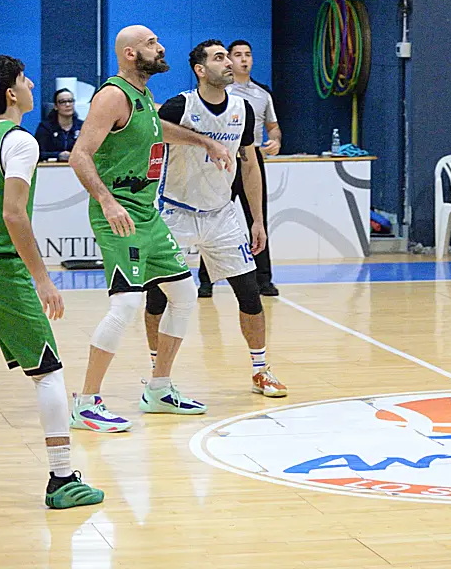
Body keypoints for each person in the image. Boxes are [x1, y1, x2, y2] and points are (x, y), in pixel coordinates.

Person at [0, 56, 104, 509]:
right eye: (24, 80)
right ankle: (62, 478)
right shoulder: (19, 141)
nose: (32, 84)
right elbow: (13, 213)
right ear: (10, 94)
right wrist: (43, 279)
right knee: (49, 373)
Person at [68, 25, 231, 432]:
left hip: (147, 214)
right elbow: (79, 155)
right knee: (125, 305)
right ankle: (85, 402)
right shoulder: (113, 96)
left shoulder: (142, 96)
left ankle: (159, 389)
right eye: (151, 43)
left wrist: (205, 142)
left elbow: (159, 131)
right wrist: (107, 202)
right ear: (129, 54)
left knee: (184, 293)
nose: (160, 48)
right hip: (120, 213)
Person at [151, 40, 287, 398]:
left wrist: (257, 219)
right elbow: (155, 131)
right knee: (158, 298)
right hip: (176, 212)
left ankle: (261, 370)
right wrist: (204, 142)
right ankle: (157, 375)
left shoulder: (243, 108)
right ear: (200, 69)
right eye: (219, 58)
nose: (228, 63)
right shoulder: (181, 105)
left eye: (228, 57)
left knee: (250, 293)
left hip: (222, 214)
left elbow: (249, 163)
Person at [213, 39, 282, 297]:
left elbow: (273, 127)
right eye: (238, 55)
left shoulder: (263, 94)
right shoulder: (220, 92)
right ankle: (207, 279)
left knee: (257, 217)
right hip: (224, 160)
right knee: (215, 216)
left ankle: (264, 279)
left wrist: (275, 140)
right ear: (229, 59)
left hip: (252, 159)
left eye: (248, 55)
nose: (244, 59)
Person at [35, 89, 82, 161]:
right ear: (55, 106)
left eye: (70, 101)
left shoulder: (82, 126)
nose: (67, 105)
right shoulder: (45, 128)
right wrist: (58, 155)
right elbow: (38, 153)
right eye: (62, 102)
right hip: (51, 169)